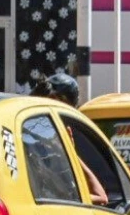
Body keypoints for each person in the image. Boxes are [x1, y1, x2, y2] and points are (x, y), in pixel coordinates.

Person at [30, 73, 109, 205]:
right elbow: (100, 197)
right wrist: (67, 151)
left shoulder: (25, 131)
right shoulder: (38, 147)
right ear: (55, 99)